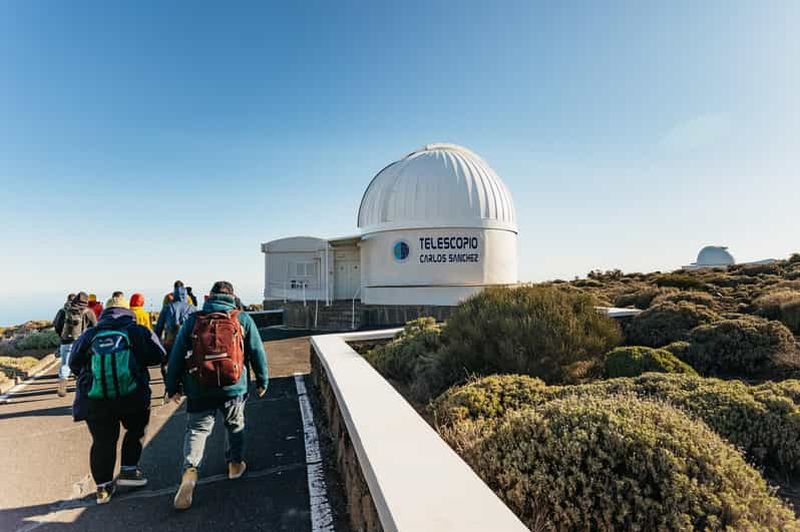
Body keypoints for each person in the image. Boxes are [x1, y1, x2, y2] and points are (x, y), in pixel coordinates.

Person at [166, 281, 268, 511]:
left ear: (209, 296)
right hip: (234, 386)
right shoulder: (241, 318)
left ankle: (190, 472)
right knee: (235, 424)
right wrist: (263, 381)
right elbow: (257, 351)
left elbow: (177, 356)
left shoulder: (194, 320)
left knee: (197, 430)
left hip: (199, 387)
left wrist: (172, 387)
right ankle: (235, 465)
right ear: (232, 296)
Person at [69, 295, 166, 505]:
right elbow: (159, 354)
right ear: (126, 310)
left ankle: (103, 488)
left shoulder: (89, 334)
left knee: (102, 441)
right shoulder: (137, 330)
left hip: (95, 398)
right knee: (136, 430)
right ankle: (129, 472)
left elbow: (73, 362)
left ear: (105, 312)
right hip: (132, 395)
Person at [53, 292, 97, 397]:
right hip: (83, 342)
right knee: (85, 365)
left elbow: (57, 325)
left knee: (65, 364)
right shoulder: (88, 312)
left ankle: (63, 384)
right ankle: (83, 387)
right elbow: (95, 327)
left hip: (66, 342)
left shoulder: (63, 311)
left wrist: (62, 336)